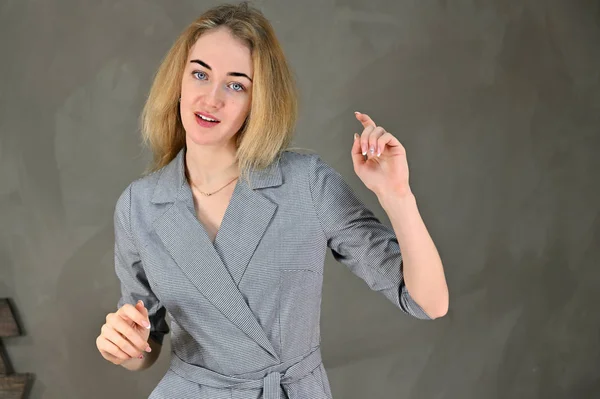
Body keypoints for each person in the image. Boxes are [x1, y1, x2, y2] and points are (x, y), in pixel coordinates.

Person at [95, 2, 449, 398]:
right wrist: (123, 345)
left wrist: (396, 194)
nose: (211, 99)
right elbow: (146, 341)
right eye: (199, 74)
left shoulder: (305, 183)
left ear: (257, 100)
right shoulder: (139, 205)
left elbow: (429, 302)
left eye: (236, 84)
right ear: (177, 82)